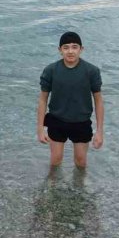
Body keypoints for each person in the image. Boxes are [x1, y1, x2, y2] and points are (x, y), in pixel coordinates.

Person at [36, 31, 104, 168]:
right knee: (55, 161)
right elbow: (43, 99)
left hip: (81, 122)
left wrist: (99, 131)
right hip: (56, 121)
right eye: (66, 47)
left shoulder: (92, 71)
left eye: (74, 47)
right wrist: (40, 129)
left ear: (81, 49)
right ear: (60, 50)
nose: (70, 51)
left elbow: (98, 101)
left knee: (81, 162)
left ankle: (80, 188)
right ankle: (52, 187)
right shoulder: (51, 70)